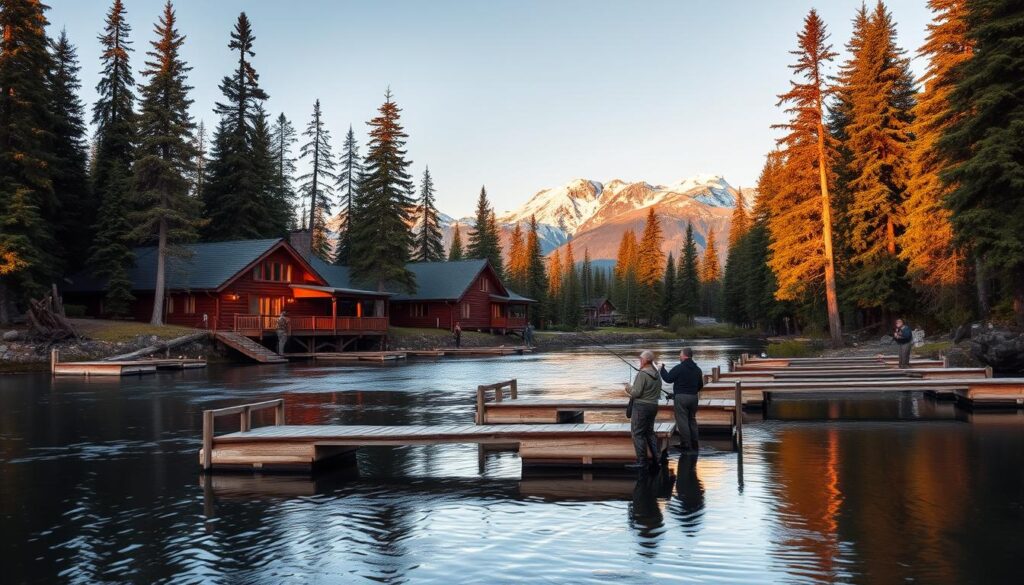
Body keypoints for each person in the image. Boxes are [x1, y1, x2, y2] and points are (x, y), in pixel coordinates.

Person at [623, 350, 663, 470]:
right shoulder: (657, 374)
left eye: (640, 359)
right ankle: (657, 459)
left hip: (641, 407)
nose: (639, 361)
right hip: (653, 406)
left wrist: (628, 387)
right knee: (649, 432)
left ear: (646, 360)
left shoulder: (643, 374)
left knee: (637, 433)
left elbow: (636, 393)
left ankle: (642, 462)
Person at [660, 347, 704, 452]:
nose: (679, 356)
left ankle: (686, 444)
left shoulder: (679, 368)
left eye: (680, 354)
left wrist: (662, 369)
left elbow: (668, 379)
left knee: (682, 421)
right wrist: (692, 392)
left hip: (681, 398)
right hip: (694, 398)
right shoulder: (697, 369)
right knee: (692, 419)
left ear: (684, 355)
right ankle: (694, 443)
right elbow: (700, 385)